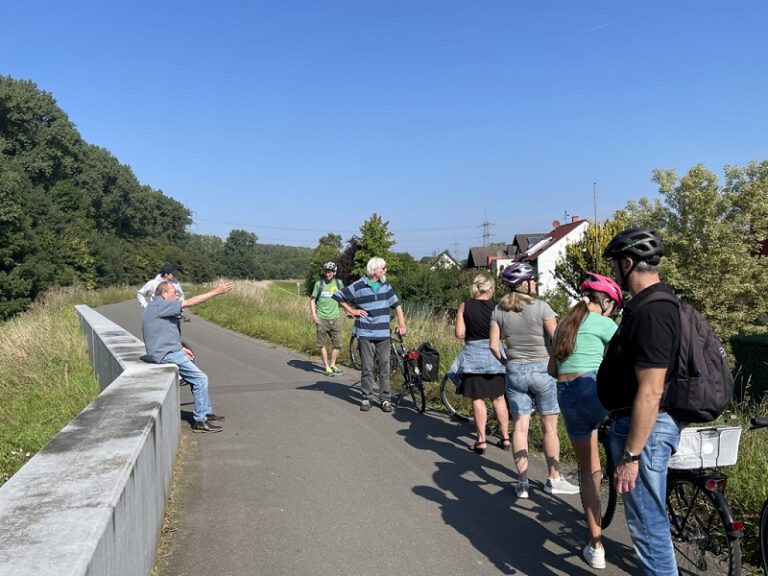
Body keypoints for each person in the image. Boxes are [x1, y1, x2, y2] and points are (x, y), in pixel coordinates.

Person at [596, 228, 683, 576]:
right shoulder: (649, 306)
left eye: (617, 265)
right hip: (633, 424)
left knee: (648, 529)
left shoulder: (653, 312)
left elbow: (651, 390)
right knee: (649, 523)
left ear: (628, 263)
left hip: (641, 430)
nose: (616, 272)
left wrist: (631, 455)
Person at [550, 273, 623, 569]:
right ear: (605, 302)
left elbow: (553, 370)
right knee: (631, 443)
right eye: (614, 308)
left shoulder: (564, 325)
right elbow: (623, 359)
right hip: (594, 389)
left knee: (588, 470)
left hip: (566, 395)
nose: (614, 313)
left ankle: (596, 547)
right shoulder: (606, 324)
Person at [489, 261, 579, 499]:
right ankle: (554, 478)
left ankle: (522, 483)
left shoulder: (498, 310)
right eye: (533, 280)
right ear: (524, 284)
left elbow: (493, 346)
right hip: (543, 370)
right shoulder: (542, 307)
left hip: (515, 371)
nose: (535, 283)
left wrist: (506, 363)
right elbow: (559, 338)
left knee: (520, 426)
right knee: (549, 428)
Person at [142, 279, 235, 433]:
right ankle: (200, 421)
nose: (177, 294)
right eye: (174, 292)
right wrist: (216, 292)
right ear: (164, 293)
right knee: (200, 379)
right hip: (166, 354)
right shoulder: (161, 304)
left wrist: (180, 347)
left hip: (166, 350)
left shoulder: (156, 306)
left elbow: (163, 331)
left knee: (196, 379)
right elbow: (191, 303)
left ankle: (206, 412)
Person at [332, 257, 407, 413]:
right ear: (374, 270)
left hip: (383, 333)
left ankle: (385, 399)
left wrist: (402, 324)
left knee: (384, 366)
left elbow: (397, 305)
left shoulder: (385, 285)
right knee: (367, 367)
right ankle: (367, 398)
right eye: (383, 268)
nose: (386, 270)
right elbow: (338, 296)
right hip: (365, 331)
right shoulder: (359, 285)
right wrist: (351, 310)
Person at [453, 273, 510, 454]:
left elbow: (459, 333)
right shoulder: (498, 307)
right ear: (490, 289)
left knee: (478, 399)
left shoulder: (465, 306)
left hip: (473, 357)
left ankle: (481, 440)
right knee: (499, 398)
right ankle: (505, 438)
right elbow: (502, 334)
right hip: (496, 356)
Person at [310, 262, 345, 376]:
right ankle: (326, 367)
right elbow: (312, 300)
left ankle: (332, 364)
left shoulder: (339, 283)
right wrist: (314, 316)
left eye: (330, 271)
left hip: (335, 318)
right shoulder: (318, 284)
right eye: (326, 271)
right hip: (322, 318)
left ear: (334, 272)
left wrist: (348, 311)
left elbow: (342, 298)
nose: (327, 273)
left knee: (338, 344)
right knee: (322, 344)